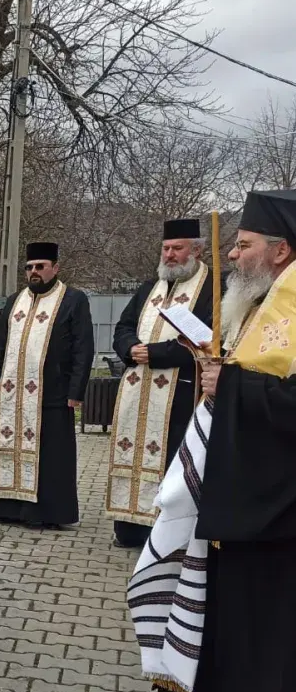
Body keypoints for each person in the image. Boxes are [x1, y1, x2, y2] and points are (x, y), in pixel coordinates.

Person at [128, 189, 296, 692]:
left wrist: (231, 385)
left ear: (281, 251)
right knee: (225, 593)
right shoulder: (259, 302)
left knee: (263, 609)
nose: (234, 255)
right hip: (237, 485)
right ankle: (214, 687)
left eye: (244, 245)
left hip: (274, 500)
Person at [107, 219, 216, 548]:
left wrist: (153, 353)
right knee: (133, 453)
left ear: (196, 251)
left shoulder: (213, 288)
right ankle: (130, 528)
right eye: (166, 248)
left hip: (181, 393)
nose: (169, 255)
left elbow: (207, 338)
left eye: (177, 248)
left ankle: (165, 536)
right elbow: (123, 326)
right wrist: (130, 348)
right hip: (137, 389)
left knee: (170, 460)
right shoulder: (149, 287)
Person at [0, 242, 94, 528]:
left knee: (52, 456)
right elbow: (0, 345)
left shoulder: (73, 299)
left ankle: (48, 514)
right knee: (11, 446)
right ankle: (11, 508)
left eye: (40, 266)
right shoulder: (15, 301)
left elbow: (83, 347)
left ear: (55, 268)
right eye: (29, 267)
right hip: (14, 393)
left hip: (54, 392)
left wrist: (76, 390)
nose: (33, 272)